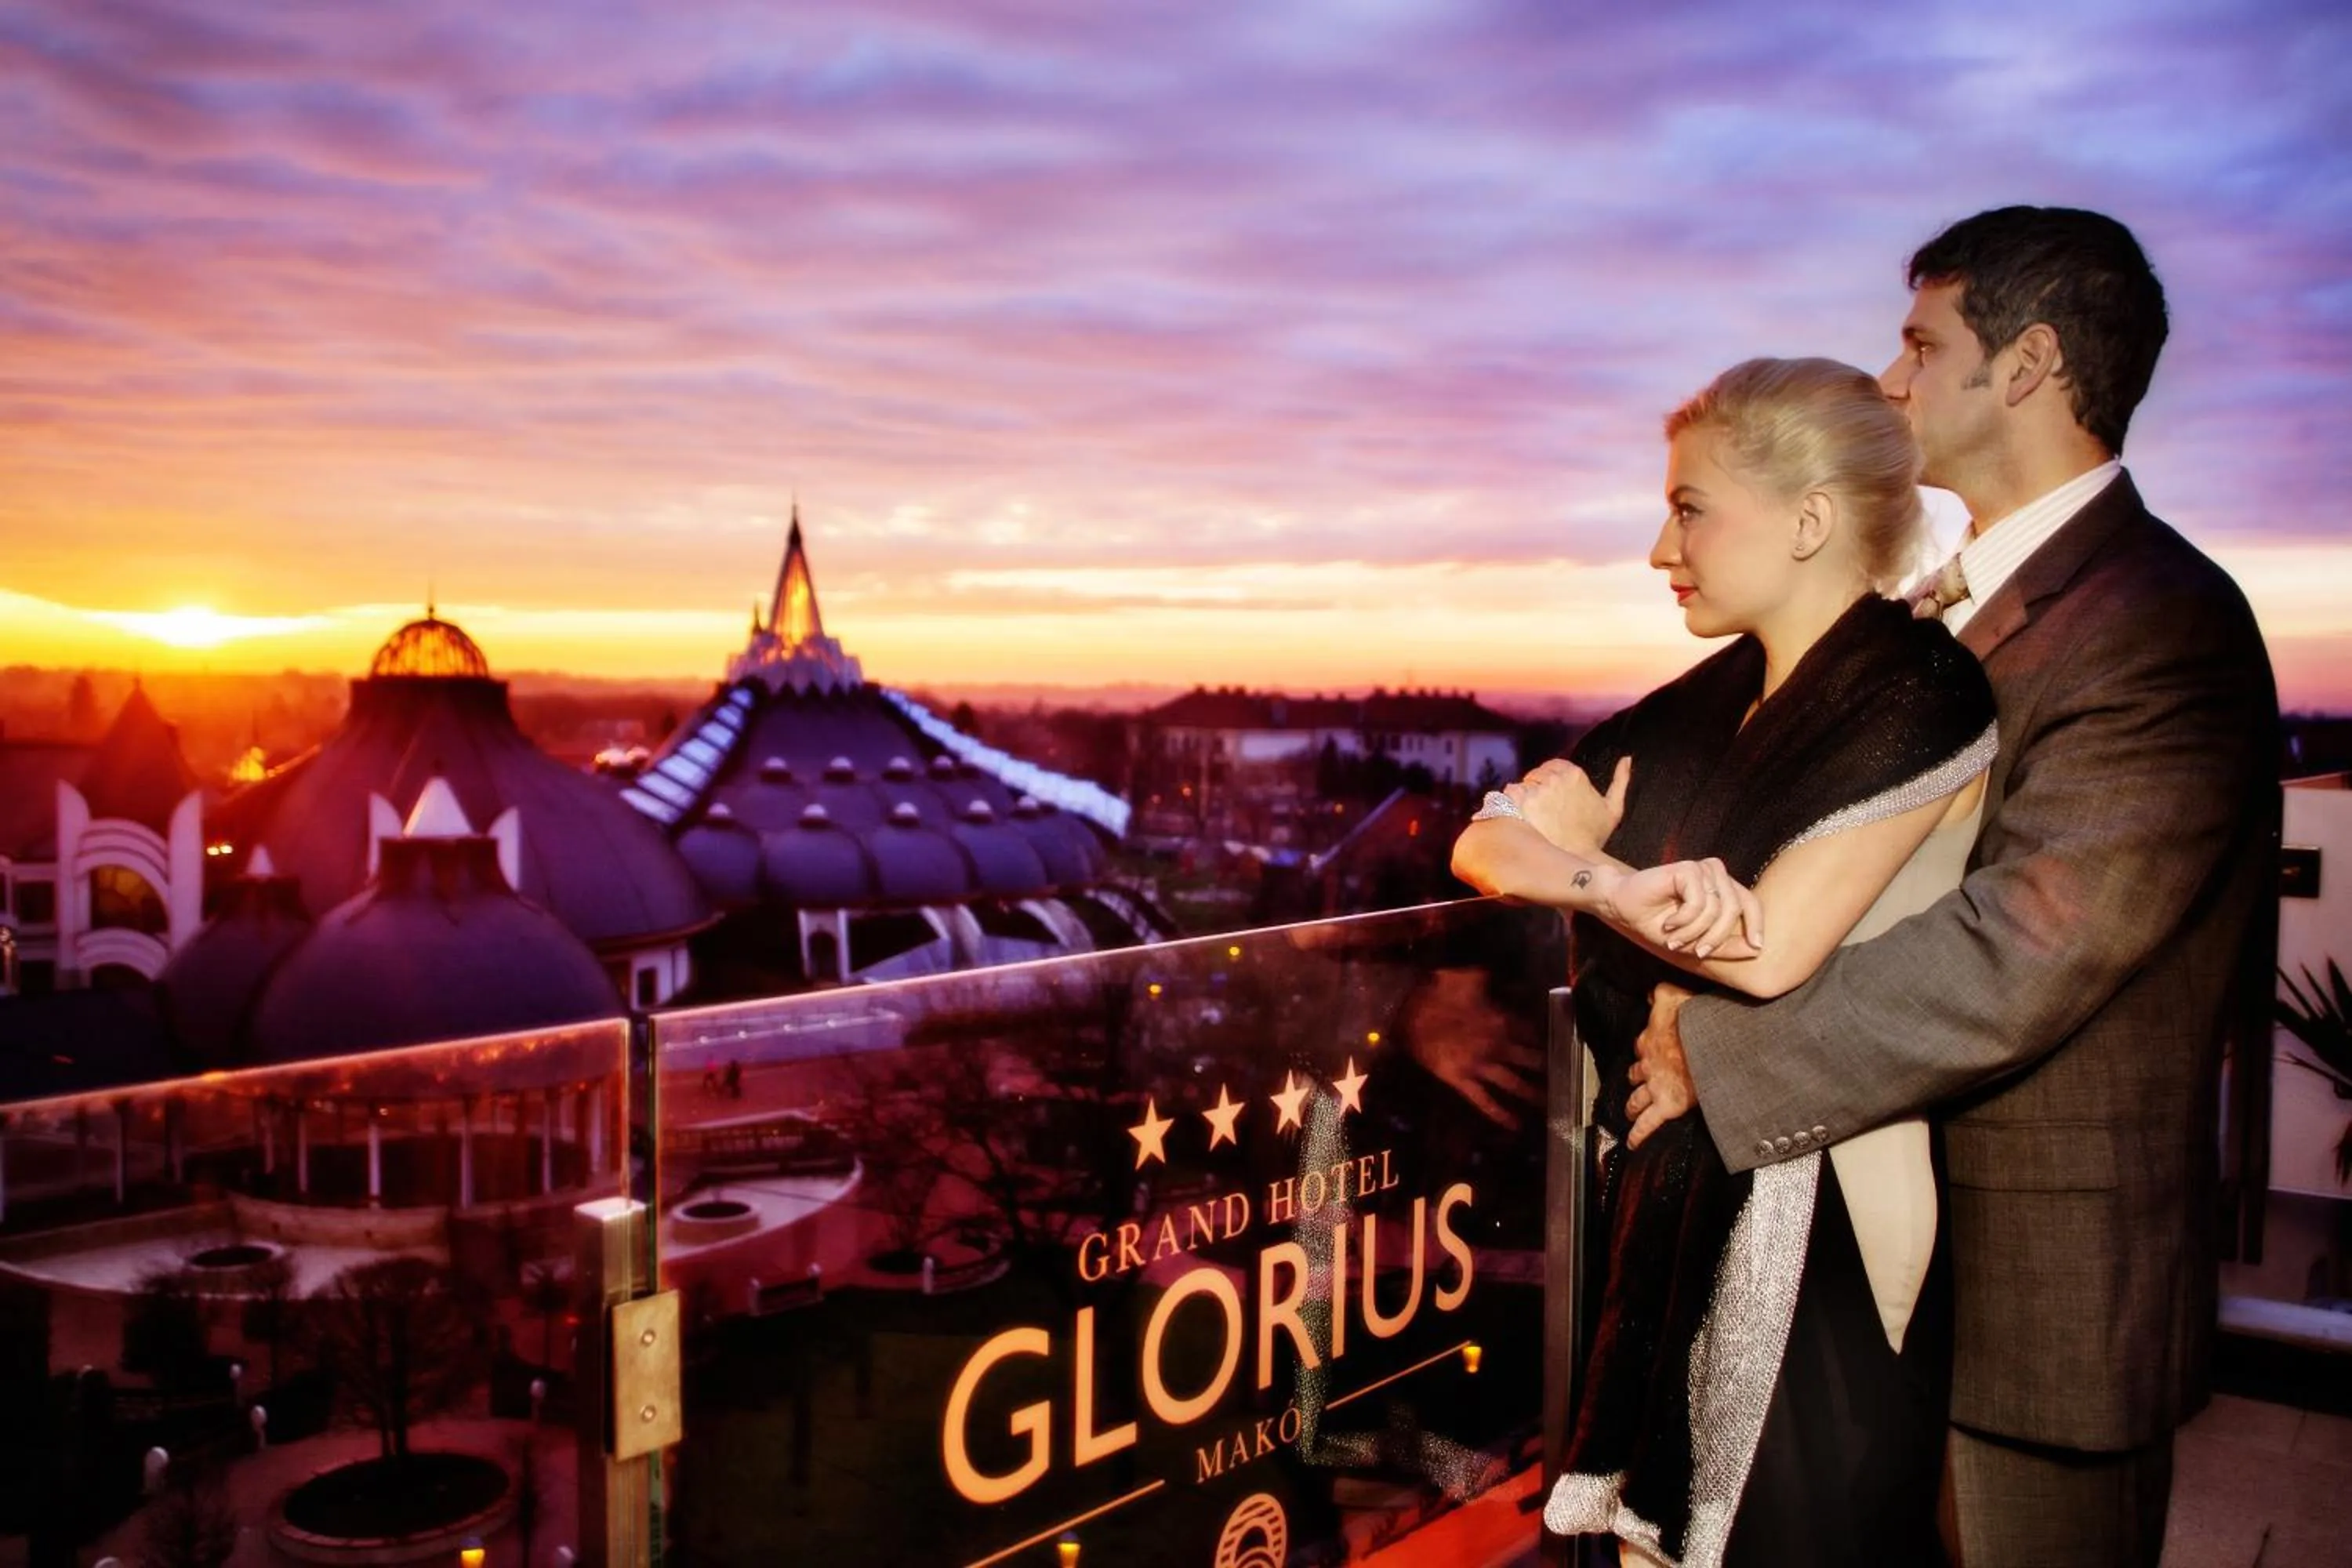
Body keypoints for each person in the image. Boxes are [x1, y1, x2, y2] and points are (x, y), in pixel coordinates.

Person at [1629, 207, 2280, 1567]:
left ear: (2029, 363)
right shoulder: (1943, 610)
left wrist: (1716, 1049)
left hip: (2041, 1311)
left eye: (1923, 347)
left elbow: (2024, 948)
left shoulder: (2162, 621)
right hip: (1883, 1285)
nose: (1891, 381)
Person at [1454, 355, 1997, 1567]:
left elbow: (1762, 949)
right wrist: (1608, 878)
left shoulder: (1924, 691)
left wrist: (1583, 860)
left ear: (1810, 521)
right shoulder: (1713, 699)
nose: (1663, 548)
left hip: (1821, 1222)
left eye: (1691, 509)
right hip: (1680, 1176)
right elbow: (1487, 839)